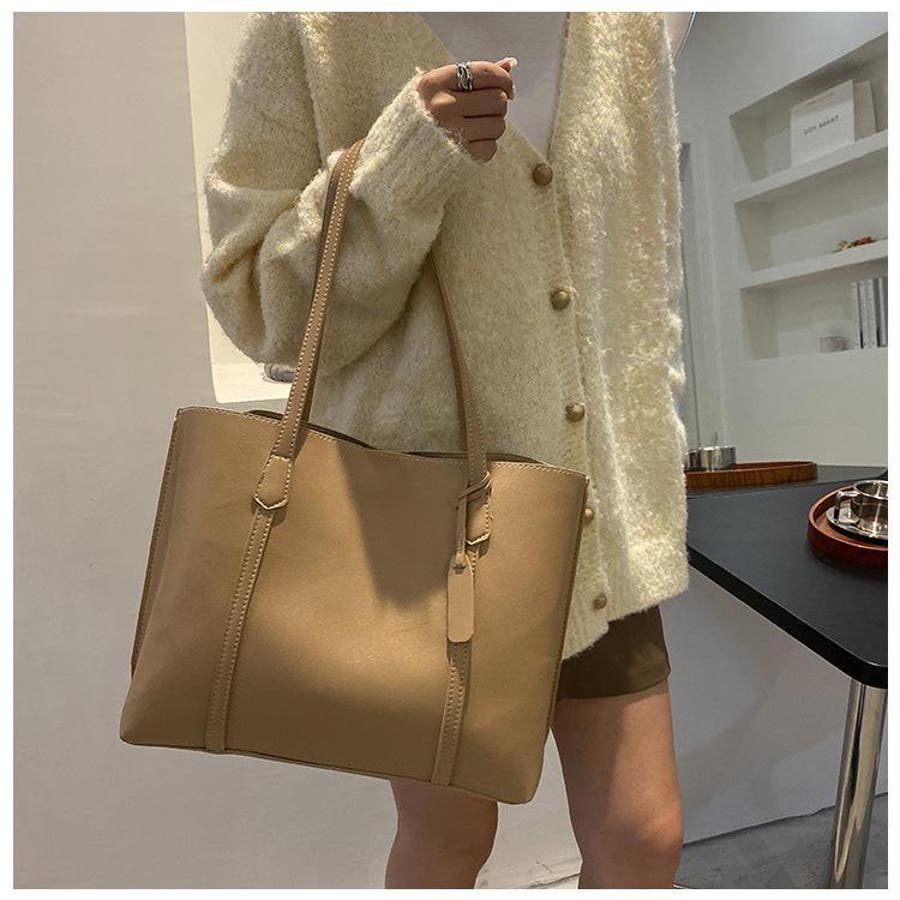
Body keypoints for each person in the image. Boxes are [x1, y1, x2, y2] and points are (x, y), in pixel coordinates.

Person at [201, 11, 691, 890]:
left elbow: (645, 273)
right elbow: (262, 311)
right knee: (450, 842)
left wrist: (655, 451)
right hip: (426, 527)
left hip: (597, 520)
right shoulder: (312, 30)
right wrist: (399, 164)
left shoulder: (628, 30)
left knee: (644, 838)